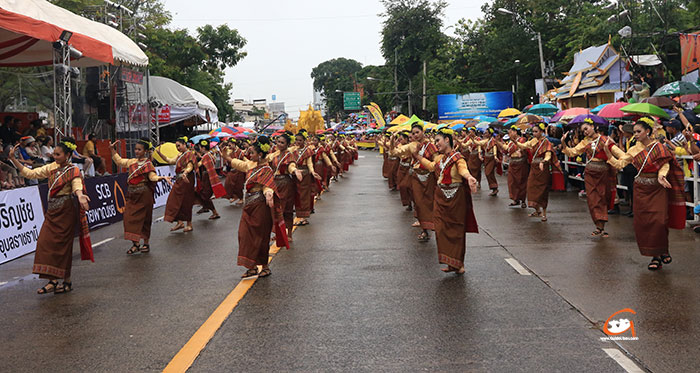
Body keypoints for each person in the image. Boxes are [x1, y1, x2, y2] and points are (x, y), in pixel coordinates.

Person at [8, 137, 92, 294]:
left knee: (64, 247)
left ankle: (65, 281)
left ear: (67, 155)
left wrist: (80, 195)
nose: (55, 156)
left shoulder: (73, 170)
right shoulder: (51, 167)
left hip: (66, 212)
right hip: (52, 212)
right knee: (45, 243)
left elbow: (76, 185)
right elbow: (30, 173)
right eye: (54, 153)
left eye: (58, 154)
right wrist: (13, 159)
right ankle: (52, 280)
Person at [604, 117, 686, 270]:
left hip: (657, 188)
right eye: (634, 132)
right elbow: (621, 163)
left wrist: (662, 176)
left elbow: (664, 164)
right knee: (645, 223)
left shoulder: (659, 147)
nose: (635, 135)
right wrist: (609, 153)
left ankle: (663, 250)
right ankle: (655, 256)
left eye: (638, 132)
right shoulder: (634, 149)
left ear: (647, 131)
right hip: (640, 189)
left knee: (660, 221)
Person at [414, 127, 478, 274]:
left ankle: (458, 264)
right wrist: (418, 156)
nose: (436, 144)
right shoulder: (440, 159)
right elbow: (431, 166)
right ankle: (450, 261)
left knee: (456, 229)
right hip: (441, 196)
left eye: (438, 141)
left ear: (447, 140)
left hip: (455, 198)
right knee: (441, 228)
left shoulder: (458, 157)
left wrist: (469, 178)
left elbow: (463, 170)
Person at [223, 136, 287, 278]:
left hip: (260, 207)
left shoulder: (266, 169)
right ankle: (251, 267)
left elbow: (267, 186)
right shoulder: (251, 165)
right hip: (248, 207)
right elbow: (239, 164)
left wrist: (269, 193)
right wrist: (227, 157)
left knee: (261, 237)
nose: (249, 155)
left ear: (260, 154)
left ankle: (264, 266)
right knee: (244, 235)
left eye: (251, 153)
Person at [562, 119, 626, 237]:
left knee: (602, 198)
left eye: (586, 129)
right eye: (583, 131)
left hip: (603, 174)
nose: (585, 132)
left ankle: (602, 225)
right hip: (590, 173)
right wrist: (564, 143)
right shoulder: (585, 142)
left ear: (593, 126)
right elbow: (572, 153)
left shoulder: (605, 141)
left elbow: (621, 155)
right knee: (593, 200)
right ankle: (599, 226)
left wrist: (616, 163)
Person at [110, 138, 172, 255]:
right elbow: (119, 161)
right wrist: (112, 150)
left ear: (145, 151)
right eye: (135, 149)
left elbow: (152, 177)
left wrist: (161, 178)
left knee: (145, 220)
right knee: (129, 219)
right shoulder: (132, 162)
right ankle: (135, 244)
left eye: (139, 149)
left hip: (144, 195)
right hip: (132, 195)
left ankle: (146, 243)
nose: (136, 151)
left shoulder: (148, 164)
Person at [390, 121, 438, 241]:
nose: (415, 135)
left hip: (429, 178)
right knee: (419, 203)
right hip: (416, 177)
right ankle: (424, 229)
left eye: (417, 132)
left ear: (423, 132)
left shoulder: (431, 146)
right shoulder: (412, 145)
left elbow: (436, 163)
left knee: (430, 202)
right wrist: (392, 141)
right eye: (413, 133)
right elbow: (395, 152)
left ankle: (433, 224)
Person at [516, 122, 565, 222]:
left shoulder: (546, 142)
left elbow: (548, 155)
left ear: (542, 132)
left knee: (542, 191)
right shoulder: (533, 141)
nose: (534, 134)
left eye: (536, 132)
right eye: (533, 132)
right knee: (530, 187)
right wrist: (514, 141)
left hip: (543, 169)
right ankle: (537, 210)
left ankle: (544, 213)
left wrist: (544, 161)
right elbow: (523, 146)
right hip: (534, 168)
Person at [267, 131, 302, 242]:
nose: (279, 144)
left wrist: (295, 170)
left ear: (287, 144)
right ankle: (279, 233)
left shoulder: (289, 155)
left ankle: (289, 234)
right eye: (278, 142)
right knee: (276, 209)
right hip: (275, 184)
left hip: (285, 184)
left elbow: (291, 165)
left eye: (282, 142)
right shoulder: (273, 154)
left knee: (286, 209)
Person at [157, 136, 197, 233]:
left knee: (186, 202)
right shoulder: (180, 155)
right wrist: (159, 154)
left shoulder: (190, 154)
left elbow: (190, 166)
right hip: (180, 180)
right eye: (176, 146)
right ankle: (179, 222)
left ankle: (189, 224)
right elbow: (169, 160)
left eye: (179, 146)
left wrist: (186, 172)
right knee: (174, 201)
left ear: (184, 144)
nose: (177, 148)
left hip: (186, 179)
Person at [293, 129, 321, 226]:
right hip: (295, 175)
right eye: (296, 140)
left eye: (300, 140)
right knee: (296, 196)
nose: (298, 142)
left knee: (304, 196)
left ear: (304, 140)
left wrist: (312, 172)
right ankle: (299, 215)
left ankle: (304, 217)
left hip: (305, 175)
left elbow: (309, 163)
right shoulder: (293, 150)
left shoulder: (308, 151)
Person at [496, 125, 529, 207]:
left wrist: (521, 151)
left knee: (521, 182)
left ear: (515, 132)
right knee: (512, 182)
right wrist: (498, 142)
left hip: (520, 163)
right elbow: (507, 148)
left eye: (510, 132)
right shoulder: (511, 142)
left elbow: (524, 149)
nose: (509, 134)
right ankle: (515, 199)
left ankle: (523, 200)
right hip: (512, 163)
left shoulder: (522, 140)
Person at [195, 139, 224, 220]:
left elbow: (198, 165)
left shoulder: (206, 156)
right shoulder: (210, 154)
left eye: (200, 147)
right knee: (202, 194)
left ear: (203, 148)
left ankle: (215, 212)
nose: (200, 149)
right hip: (207, 177)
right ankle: (206, 207)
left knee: (204, 195)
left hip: (207, 177)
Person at [474, 127, 500, 196]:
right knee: (488, 173)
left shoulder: (493, 141)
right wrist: (472, 138)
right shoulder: (486, 140)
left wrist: (495, 156)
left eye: (486, 133)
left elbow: (494, 148)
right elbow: (478, 143)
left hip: (491, 158)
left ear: (490, 134)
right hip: (487, 158)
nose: (484, 134)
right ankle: (494, 188)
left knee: (488, 172)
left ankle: (495, 187)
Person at [395, 130, 414, 211]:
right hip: (401, 168)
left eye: (401, 139)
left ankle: (414, 203)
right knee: (401, 186)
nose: (400, 141)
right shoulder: (400, 146)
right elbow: (393, 151)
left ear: (406, 139)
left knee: (406, 186)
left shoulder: (412, 147)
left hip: (409, 169)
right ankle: (408, 203)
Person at [223, 139, 246, 204]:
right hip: (232, 170)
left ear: (234, 144)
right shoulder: (230, 152)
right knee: (228, 184)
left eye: (230, 145)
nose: (229, 147)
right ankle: (234, 196)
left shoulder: (240, 152)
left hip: (239, 170)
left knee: (238, 186)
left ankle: (241, 198)